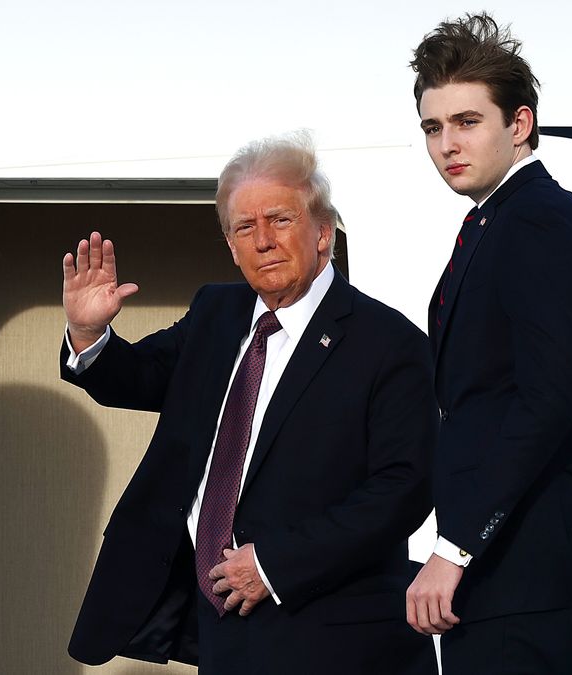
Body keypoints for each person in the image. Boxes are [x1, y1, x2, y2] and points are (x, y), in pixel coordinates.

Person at [60, 133, 439, 673]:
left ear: (324, 233)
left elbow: (404, 489)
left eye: (280, 220)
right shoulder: (217, 312)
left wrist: (275, 564)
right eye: (245, 227)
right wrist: (86, 332)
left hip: (333, 635)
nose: (263, 240)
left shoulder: (388, 342)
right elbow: (139, 376)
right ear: (232, 247)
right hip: (221, 625)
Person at [404, 13, 572, 673]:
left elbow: (546, 402)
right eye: (433, 127)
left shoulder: (532, 224)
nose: (446, 145)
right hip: (552, 546)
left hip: (521, 554)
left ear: (518, 124)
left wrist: (455, 546)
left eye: (467, 121)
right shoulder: (532, 219)